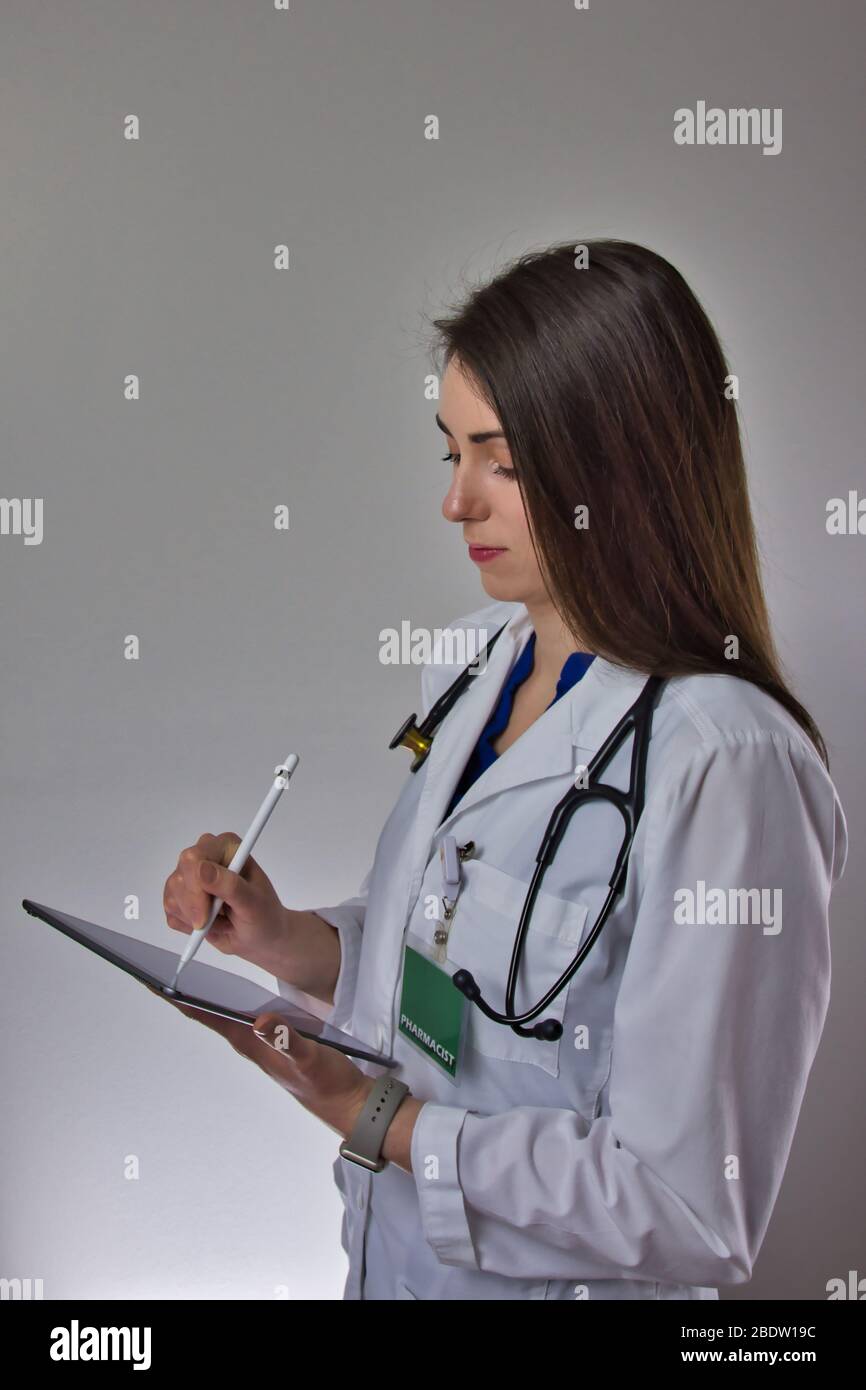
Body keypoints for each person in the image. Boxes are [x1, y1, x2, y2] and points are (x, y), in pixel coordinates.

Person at [161, 239, 848, 1300]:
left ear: (624, 463)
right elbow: (468, 979)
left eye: (504, 460)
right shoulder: (474, 665)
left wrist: (372, 1118)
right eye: (451, 453)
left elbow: (687, 1210)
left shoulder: (727, 760)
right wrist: (288, 940)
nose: (456, 503)